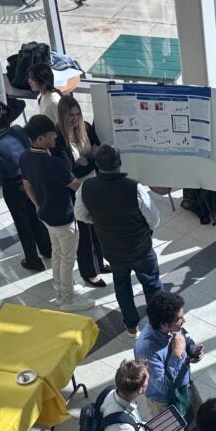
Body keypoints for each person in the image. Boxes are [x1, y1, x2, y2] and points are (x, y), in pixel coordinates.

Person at [75, 143, 163, 337]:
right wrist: (147, 231)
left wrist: (99, 222)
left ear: (97, 164)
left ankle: (131, 326)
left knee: (122, 286)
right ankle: (159, 323)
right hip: (140, 247)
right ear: (120, 163)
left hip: (112, 250)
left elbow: (80, 215)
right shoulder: (134, 187)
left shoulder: (86, 187)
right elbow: (154, 219)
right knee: (152, 285)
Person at [19, 114, 94, 311]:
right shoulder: (53, 163)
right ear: (41, 138)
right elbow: (76, 185)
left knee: (57, 252)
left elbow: (27, 185)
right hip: (64, 217)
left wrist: (37, 205)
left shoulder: (25, 156)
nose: (55, 138)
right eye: (52, 136)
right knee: (68, 257)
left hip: (45, 214)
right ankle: (67, 299)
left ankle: (60, 288)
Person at [135, 290, 203, 431]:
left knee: (199, 422)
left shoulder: (175, 327)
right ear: (164, 324)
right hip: (163, 402)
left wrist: (191, 350)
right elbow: (163, 387)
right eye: (179, 318)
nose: (183, 320)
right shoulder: (146, 347)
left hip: (186, 386)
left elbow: (185, 338)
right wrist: (175, 355)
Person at [0, 99, 51, 271]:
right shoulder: (18, 131)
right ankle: (47, 248)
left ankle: (33, 259)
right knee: (36, 217)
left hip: (13, 188)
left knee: (23, 224)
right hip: (31, 179)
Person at [56, 94, 108, 287]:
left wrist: (89, 160)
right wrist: (90, 159)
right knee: (84, 233)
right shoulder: (59, 138)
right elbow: (70, 170)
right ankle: (89, 272)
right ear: (62, 115)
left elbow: (100, 152)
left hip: (94, 186)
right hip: (76, 191)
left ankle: (100, 262)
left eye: (77, 114)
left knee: (97, 227)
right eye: (71, 115)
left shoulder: (85, 127)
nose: (75, 119)